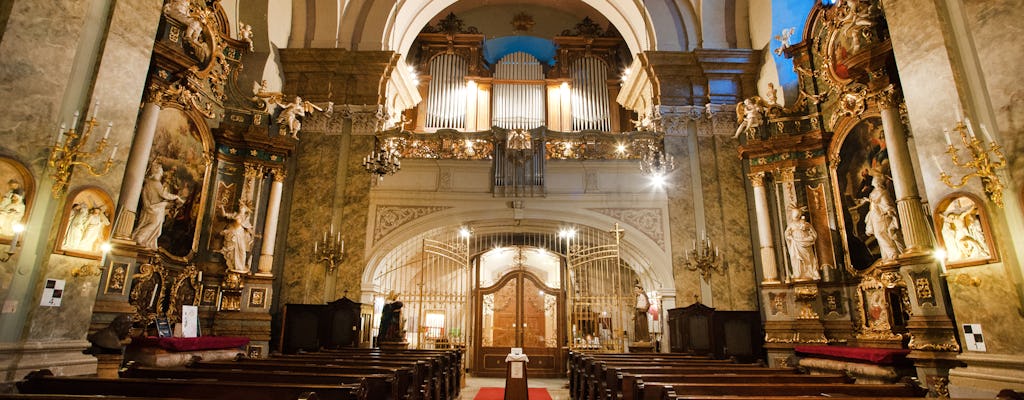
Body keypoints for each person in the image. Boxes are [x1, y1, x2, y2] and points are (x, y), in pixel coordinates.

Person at [132, 163, 184, 250]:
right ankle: (140, 238)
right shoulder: (155, 183)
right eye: (161, 173)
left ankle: (146, 241)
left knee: (153, 224)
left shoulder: (148, 182)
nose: (161, 175)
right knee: (154, 223)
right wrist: (176, 196)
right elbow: (164, 194)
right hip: (155, 208)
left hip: (151, 208)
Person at [857, 172, 905, 260]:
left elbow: (887, 204)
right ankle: (887, 258)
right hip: (876, 218)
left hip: (882, 218)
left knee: (883, 235)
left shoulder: (882, 193)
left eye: (875, 182)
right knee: (880, 237)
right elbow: (863, 197)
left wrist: (889, 211)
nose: (874, 183)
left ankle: (893, 254)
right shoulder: (874, 193)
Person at [785, 207, 821, 281]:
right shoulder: (791, 225)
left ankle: (811, 273)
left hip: (805, 242)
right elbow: (787, 234)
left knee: (808, 258)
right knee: (796, 258)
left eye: (797, 214)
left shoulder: (806, 224)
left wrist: (808, 232)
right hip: (795, 243)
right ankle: (798, 273)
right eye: (794, 214)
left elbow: (813, 233)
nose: (795, 216)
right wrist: (790, 237)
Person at [219, 203, 255, 274]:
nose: (241, 208)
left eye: (243, 207)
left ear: (245, 210)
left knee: (242, 251)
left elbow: (249, 229)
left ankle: (241, 266)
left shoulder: (245, 218)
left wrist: (254, 235)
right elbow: (224, 215)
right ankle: (235, 265)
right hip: (234, 233)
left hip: (241, 235)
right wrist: (222, 207)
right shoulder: (235, 215)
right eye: (240, 206)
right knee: (234, 251)